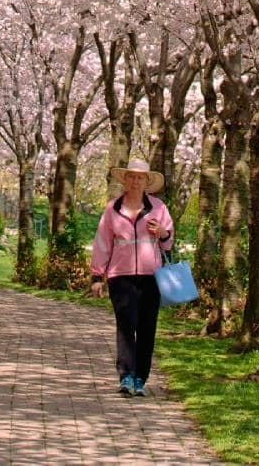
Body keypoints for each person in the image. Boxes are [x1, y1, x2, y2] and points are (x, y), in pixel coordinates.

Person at [90, 156, 174, 397]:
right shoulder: (113, 209)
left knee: (147, 328)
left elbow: (168, 244)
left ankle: (140, 379)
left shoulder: (158, 208)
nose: (135, 181)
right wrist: (97, 277)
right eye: (131, 177)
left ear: (147, 182)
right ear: (125, 180)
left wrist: (162, 232)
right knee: (126, 326)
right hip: (121, 276)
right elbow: (102, 244)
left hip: (151, 277)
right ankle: (126, 375)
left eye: (140, 178)